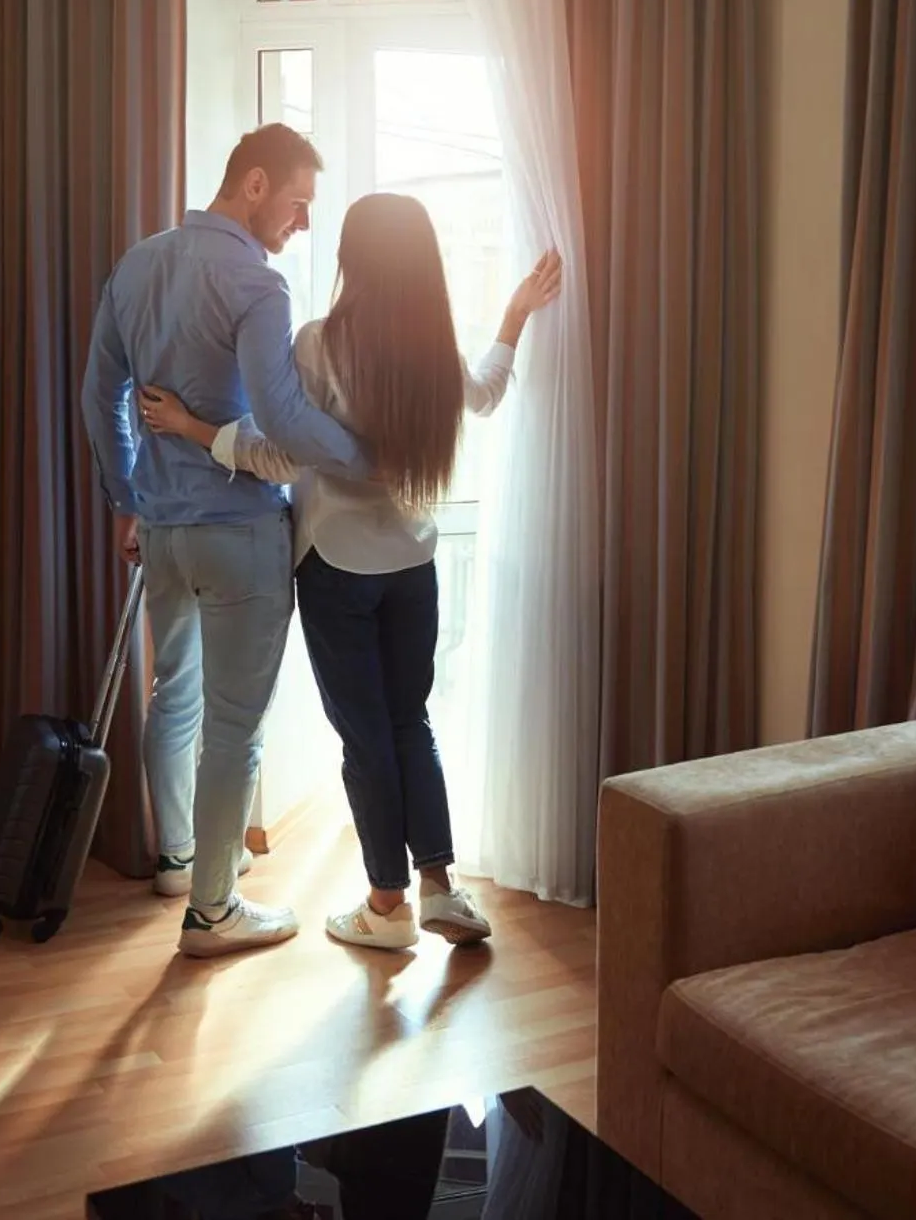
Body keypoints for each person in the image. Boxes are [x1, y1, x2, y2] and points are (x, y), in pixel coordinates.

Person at [138, 192, 562, 950]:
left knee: (364, 735)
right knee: (410, 722)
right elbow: (490, 391)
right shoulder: (433, 349)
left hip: (337, 566)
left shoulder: (318, 345)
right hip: (415, 563)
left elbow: (279, 454)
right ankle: (438, 888)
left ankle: (385, 905)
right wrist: (516, 313)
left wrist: (193, 427)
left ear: (351, 259)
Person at [81, 124, 368, 960]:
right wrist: (363, 452)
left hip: (163, 529)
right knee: (235, 724)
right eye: (298, 202)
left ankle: (176, 858)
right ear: (253, 183)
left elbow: (101, 394)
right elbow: (280, 419)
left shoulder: (136, 265)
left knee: (173, 691)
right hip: (238, 529)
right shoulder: (257, 282)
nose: (302, 223)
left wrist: (123, 498)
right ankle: (212, 910)